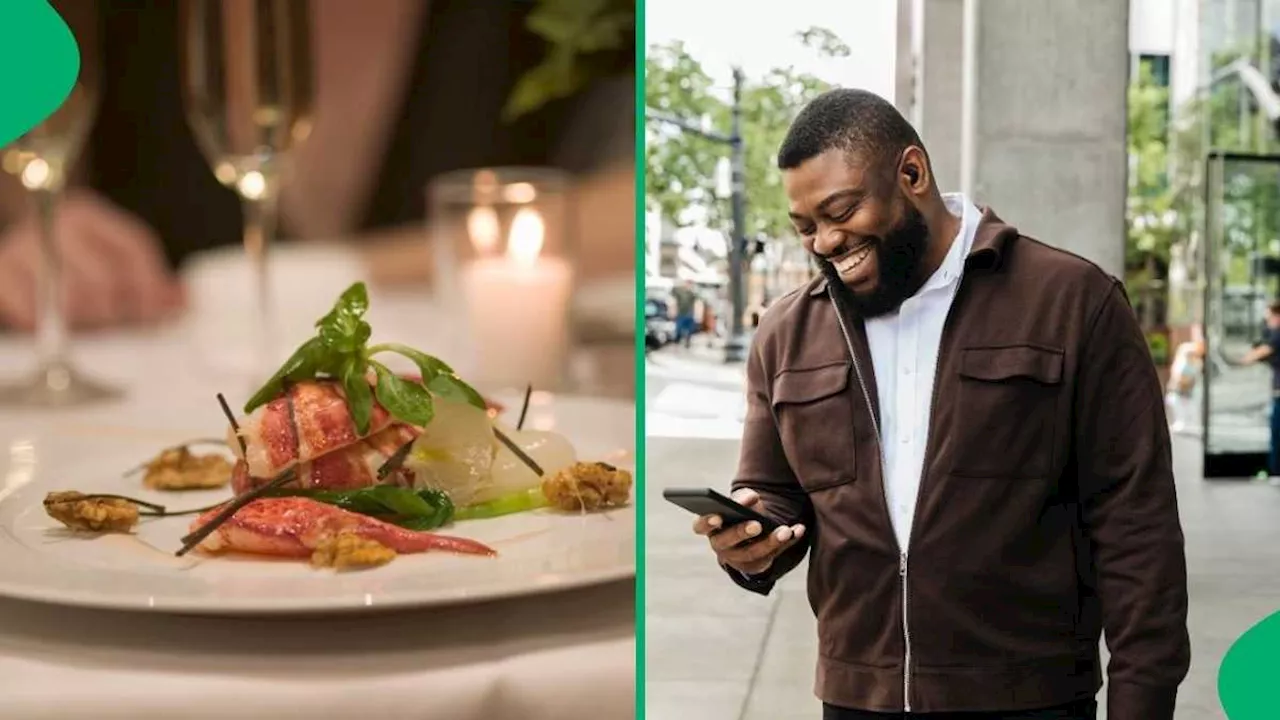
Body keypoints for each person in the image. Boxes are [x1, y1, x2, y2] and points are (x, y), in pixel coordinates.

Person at [690, 89, 1189, 719]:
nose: (823, 242)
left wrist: (1142, 704)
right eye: (806, 227)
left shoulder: (1073, 302)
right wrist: (750, 539)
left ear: (912, 173)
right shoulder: (787, 331)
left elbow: (1137, 529)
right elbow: (774, 492)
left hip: (1031, 699)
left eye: (840, 211)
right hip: (855, 699)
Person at [0, 0, 634, 331]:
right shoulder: (87, 21)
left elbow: (644, 203)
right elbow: (32, 180)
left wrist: (334, 275)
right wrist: (38, 240)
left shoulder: (552, 22)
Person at [1238, 302, 1280, 481]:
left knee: (1277, 433)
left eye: (1269, 317)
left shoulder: (1277, 335)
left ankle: (1276, 471)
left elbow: (1260, 352)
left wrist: (1243, 358)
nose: (1267, 321)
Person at [1165, 324, 1204, 435]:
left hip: (1187, 389)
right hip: (1181, 388)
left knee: (1185, 404)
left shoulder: (1194, 362)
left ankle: (1187, 422)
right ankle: (1184, 422)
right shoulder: (1185, 354)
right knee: (1175, 401)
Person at [671, 280, 698, 348]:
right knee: (679, 328)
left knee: (689, 329)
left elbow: (696, 302)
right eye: (688, 284)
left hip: (689, 313)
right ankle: (677, 340)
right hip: (681, 313)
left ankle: (687, 342)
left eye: (690, 285)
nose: (689, 286)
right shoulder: (680, 292)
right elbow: (673, 292)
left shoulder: (692, 293)